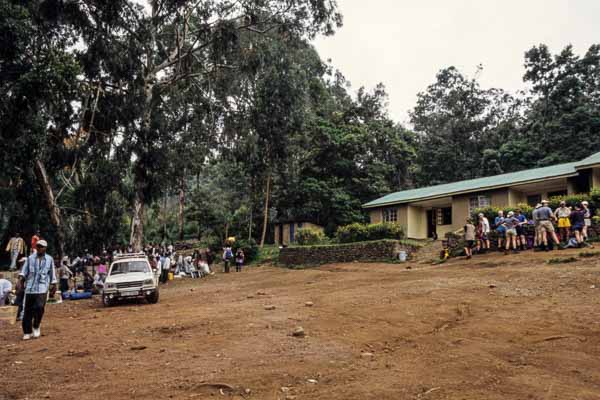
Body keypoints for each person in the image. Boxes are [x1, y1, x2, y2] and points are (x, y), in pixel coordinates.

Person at [18, 240, 57, 340]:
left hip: (42, 288)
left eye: (41, 247)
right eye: (38, 246)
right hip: (30, 288)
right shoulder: (30, 258)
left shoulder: (49, 259)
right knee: (27, 311)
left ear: (45, 248)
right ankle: (27, 331)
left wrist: (54, 284)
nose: (39, 248)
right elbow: (24, 272)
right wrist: (20, 282)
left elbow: (52, 273)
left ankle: (36, 325)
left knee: (39, 307)